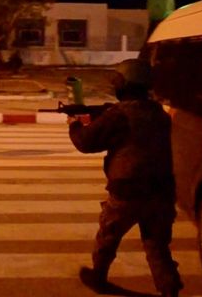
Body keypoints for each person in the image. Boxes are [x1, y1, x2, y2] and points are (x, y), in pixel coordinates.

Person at [68, 58, 182, 297]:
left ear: (123, 84)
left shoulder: (119, 115)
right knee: (156, 245)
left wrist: (74, 125)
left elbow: (86, 142)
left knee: (108, 237)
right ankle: (169, 288)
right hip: (161, 191)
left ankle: (98, 277)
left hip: (128, 190)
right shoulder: (159, 114)